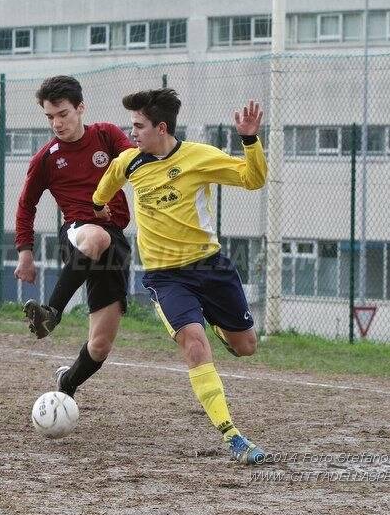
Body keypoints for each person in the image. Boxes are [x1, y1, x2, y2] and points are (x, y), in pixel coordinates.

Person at [91, 89, 268, 465]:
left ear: (161, 127)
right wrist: (99, 207)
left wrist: (250, 140)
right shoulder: (129, 162)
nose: (132, 133)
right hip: (165, 276)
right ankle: (232, 436)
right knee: (193, 345)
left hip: (211, 267)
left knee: (246, 347)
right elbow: (104, 188)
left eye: (138, 126)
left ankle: (221, 327)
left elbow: (254, 180)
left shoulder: (200, 157)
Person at [14, 75, 133, 398]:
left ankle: (66, 385)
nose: (57, 123)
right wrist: (25, 251)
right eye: (50, 117)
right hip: (78, 234)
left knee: (100, 345)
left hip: (116, 244)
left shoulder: (106, 135)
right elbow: (26, 205)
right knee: (95, 237)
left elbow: (135, 162)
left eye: (63, 114)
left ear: (81, 108)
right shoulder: (46, 158)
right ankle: (51, 312)